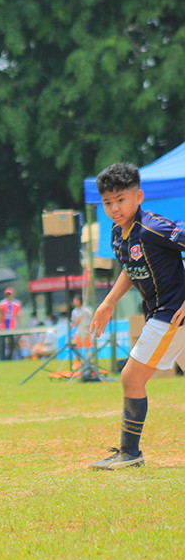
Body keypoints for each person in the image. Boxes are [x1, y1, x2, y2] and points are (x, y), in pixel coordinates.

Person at [88, 162, 185, 470]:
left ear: (138, 196)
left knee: (131, 378)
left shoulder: (154, 227)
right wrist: (108, 303)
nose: (114, 208)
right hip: (161, 313)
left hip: (171, 315)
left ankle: (130, 453)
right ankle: (129, 454)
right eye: (107, 202)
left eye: (121, 199)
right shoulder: (119, 235)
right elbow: (131, 271)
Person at [0, 288, 22, 361]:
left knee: (12, 343)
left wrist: (19, 327)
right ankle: (2, 358)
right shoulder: (1, 304)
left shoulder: (16, 304)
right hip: (3, 326)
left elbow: (18, 315)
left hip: (12, 326)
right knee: (2, 343)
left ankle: (10, 357)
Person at [70, 294, 94, 362]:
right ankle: (77, 358)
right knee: (76, 344)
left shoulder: (86, 310)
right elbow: (73, 321)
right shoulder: (74, 311)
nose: (74, 302)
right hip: (79, 330)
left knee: (87, 345)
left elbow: (91, 317)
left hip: (86, 330)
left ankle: (89, 358)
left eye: (76, 301)